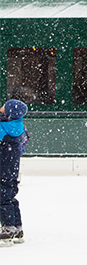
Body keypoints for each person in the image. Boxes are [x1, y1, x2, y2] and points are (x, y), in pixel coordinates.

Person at [0, 99, 29, 246]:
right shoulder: (19, 126)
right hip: (12, 169)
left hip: (2, 168)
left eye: (5, 106)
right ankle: (18, 228)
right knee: (10, 196)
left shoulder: (2, 127)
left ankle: (7, 230)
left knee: (2, 197)